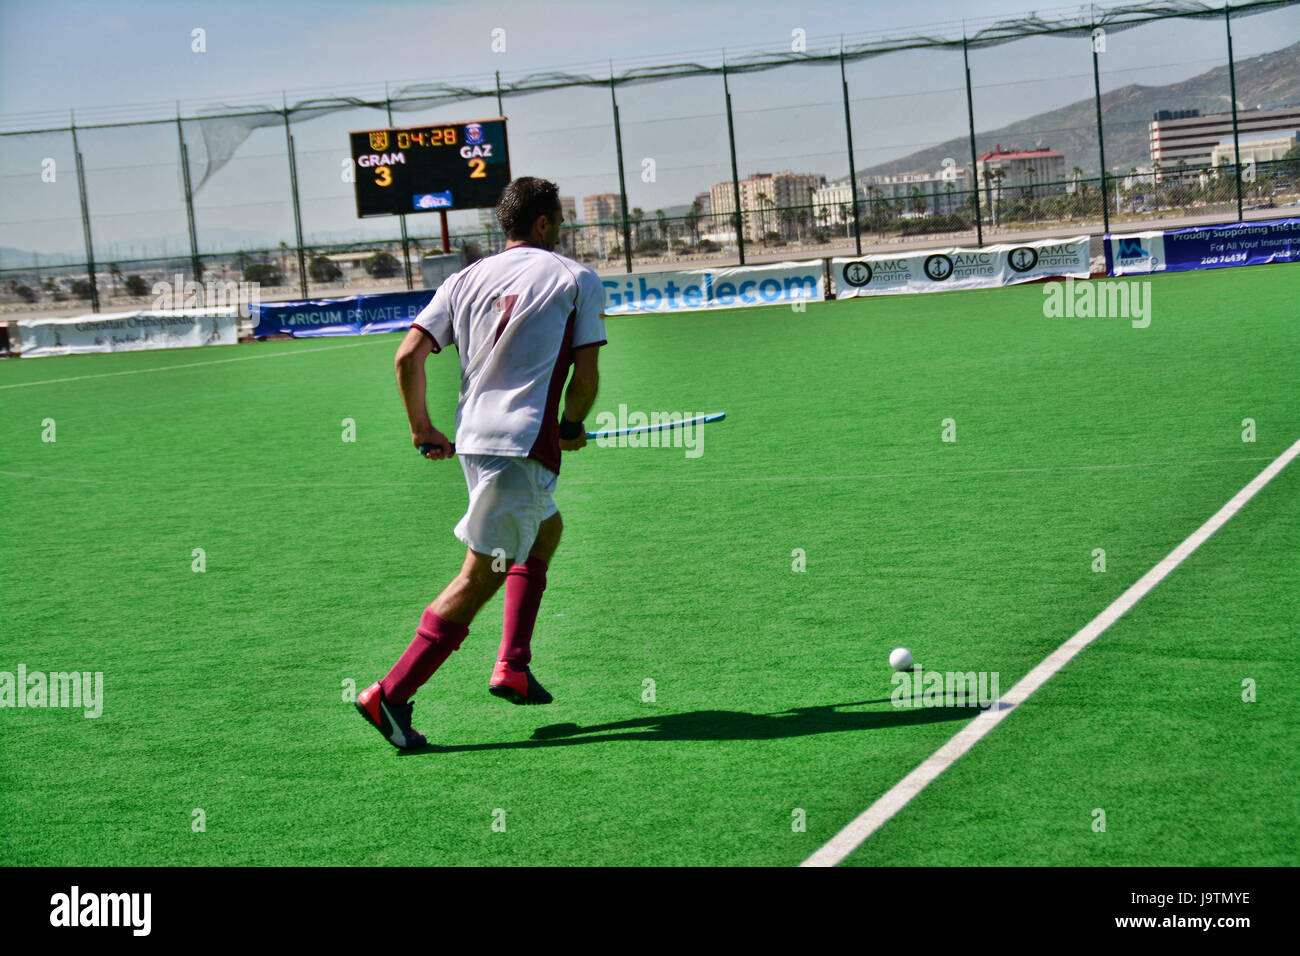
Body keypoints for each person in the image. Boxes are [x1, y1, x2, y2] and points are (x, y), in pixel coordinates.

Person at [356, 177, 606, 749]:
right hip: (521, 447)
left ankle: (513, 663)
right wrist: (570, 425)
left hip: (475, 440)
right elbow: (585, 375)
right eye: (559, 220)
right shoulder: (575, 278)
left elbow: (407, 356)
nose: (562, 229)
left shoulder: (463, 278)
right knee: (480, 575)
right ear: (544, 224)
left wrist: (422, 428)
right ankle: (388, 696)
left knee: (547, 530)